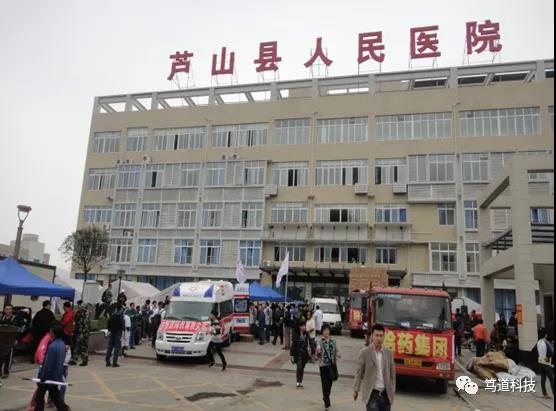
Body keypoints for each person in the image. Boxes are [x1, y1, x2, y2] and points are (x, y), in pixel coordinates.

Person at [354, 324, 396, 411]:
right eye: (376, 335)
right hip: (372, 394)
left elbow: (392, 373)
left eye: (381, 336)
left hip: (385, 394)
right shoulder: (365, 352)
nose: (379, 338)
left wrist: (392, 389)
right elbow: (359, 372)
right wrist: (356, 389)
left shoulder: (388, 353)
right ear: (372, 336)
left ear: (384, 337)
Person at [34, 324, 70, 411]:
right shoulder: (62, 344)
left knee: (40, 395)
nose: (49, 333)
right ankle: (64, 408)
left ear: (54, 333)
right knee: (54, 394)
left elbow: (48, 364)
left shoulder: (52, 346)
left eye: (50, 332)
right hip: (56, 374)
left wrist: (43, 376)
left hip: (49, 376)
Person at [317, 324, 340, 411]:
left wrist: (338, 354)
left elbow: (337, 350)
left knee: (330, 384)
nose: (326, 332)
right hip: (323, 366)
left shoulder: (333, 341)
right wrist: (318, 352)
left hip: (332, 365)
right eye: (324, 330)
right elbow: (317, 355)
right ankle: (327, 403)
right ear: (322, 332)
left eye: (327, 330)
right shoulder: (319, 341)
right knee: (325, 385)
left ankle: (326, 396)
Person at [0, 304, 19, 379]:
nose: (8, 310)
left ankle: (6, 372)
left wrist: (16, 339)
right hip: (1, 341)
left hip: (10, 341)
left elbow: (17, 330)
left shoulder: (15, 318)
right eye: (6, 309)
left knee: (8, 357)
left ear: (12, 310)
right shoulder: (2, 318)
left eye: (9, 309)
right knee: (1, 356)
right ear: (4, 310)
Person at [290, 320, 311, 388]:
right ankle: (297, 381)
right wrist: (292, 355)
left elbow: (310, 343)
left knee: (302, 368)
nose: (304, 327)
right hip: (298, 353)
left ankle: (300, 382)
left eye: (304, 325)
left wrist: (312, 352)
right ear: (299, 327)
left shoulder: (306, 334)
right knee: (299, 367)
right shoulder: (296, 334)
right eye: (303, 326)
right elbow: (293, 345)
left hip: (304, 354)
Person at [69, 301, 90, 366]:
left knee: (83, 347)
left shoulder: (86, 313)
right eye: (79, 305)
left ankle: (84, 360)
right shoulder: (78, 312)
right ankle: (74, 360)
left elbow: (85, 324)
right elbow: (75, 322)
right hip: (78, 331)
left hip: (84, 333)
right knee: (76, 346)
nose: (79, 306)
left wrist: (83, 333)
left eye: (80, 305)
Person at [106, 303, 125, 367]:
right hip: (118, 333)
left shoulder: (112, 315)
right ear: (121, 309)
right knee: (117, 348)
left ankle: (107, 361)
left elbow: (108, 323)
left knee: (110, 347)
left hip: (112, 332)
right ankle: (114, 362)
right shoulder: (120, 316)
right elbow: (122, 325)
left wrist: (110, 330)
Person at [537, 327, 554, 399]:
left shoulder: (538, 342)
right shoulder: (546, 342)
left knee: (543, 378)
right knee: (551, 379)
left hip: (540, 362)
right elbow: (551, 352)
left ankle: (545, 394)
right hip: (547, 363)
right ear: (545, 335)